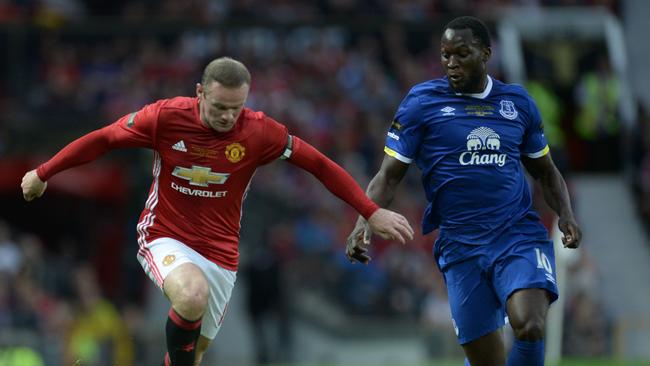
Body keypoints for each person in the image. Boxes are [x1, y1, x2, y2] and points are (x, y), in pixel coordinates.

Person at [21, 57, 414, 366]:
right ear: (200, 93)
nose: (228, 116)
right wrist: (43, 172)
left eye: (237, 108)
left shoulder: (260, 132)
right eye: (220, 107)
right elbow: (105, 138)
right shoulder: (165, 117)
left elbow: (319, 165)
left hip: (221, 254)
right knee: (191, 297)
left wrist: (370, 211)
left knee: (192, 355)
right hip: (164, 234)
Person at [345, 16, 581, 366]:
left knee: (529, 325)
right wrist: (363, 220)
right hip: (461, 247)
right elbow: (388, 176)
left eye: (462, 53)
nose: (452, 63)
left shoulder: (516, 103)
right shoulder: (421, 103)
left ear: (485, 54)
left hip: (515, 235)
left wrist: (566, 216)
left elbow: (545, 172)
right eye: (446, 55)